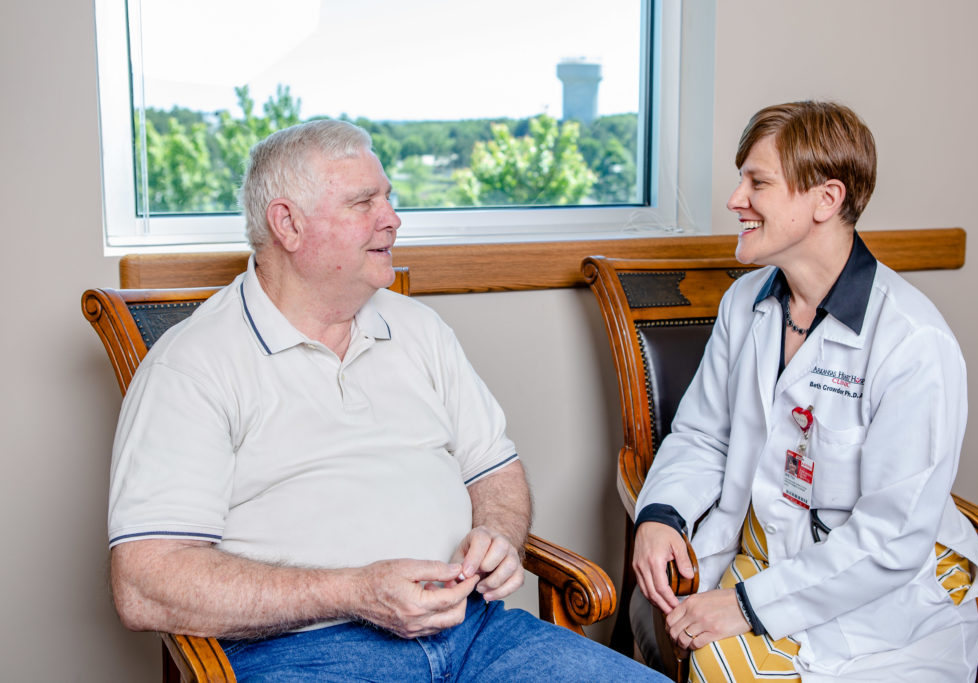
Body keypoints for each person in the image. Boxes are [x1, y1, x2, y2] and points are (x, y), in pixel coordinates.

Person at [107, 119, 667, 682]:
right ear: (288, 224)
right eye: (362, 202)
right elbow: (144, 582)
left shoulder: (419, 329)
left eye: (389, 198)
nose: (392, 219)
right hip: (307, 653)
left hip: (478, 635)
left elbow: (495, 471)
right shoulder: (193, 364)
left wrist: (499, 533)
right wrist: (355, 592)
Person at [631, 101, 978, 681]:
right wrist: (661, 513)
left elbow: (892, 536)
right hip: (764, 552)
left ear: (827, 199)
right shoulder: (744, 303)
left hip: (878, 602)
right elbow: (701, 434)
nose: (734, 200)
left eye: (758, 182)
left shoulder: (913, 341)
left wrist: (748, 607)